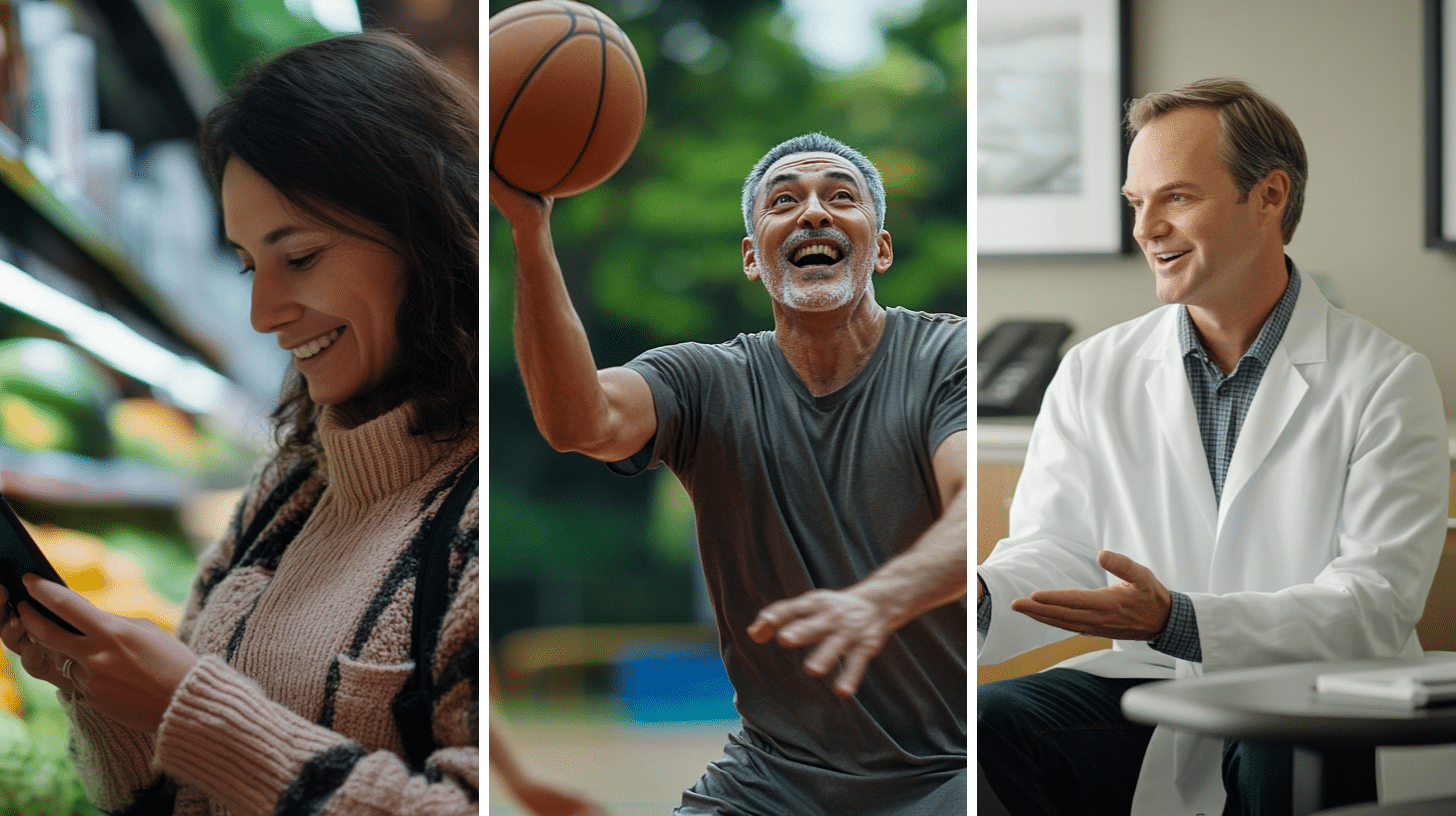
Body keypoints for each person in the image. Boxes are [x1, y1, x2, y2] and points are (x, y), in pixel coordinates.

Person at [0, 31, 479, 815]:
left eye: (300, 257)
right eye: (248, 265)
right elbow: (156, 793)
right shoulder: (284, 493)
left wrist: (187, 704)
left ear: (423, 230)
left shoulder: (471, 525)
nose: (261, 315)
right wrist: (91, 683)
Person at [976, 77, 1449, 815]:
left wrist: (1181, 620)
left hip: (1314, 691)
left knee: (1277, 737)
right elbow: (1056, 549)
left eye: (1177, 197)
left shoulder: (1387, 378)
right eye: (1137, 203)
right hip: (1150, 682)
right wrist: (974, 599)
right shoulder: (1095, 369)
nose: (1146, 228)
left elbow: (1374, 605)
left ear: (1269, 197)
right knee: (992, 725)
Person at [490, 131, 968, 814]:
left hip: (947, 772)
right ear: (753, 257)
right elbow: (578, 422)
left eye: (840, 196)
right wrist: (531, 233)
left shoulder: (947, 355)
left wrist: (878, 600)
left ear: (881, 248)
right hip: (770, 777)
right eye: (784, 201)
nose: (812, 213)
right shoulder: (704, 380)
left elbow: (971, 504)